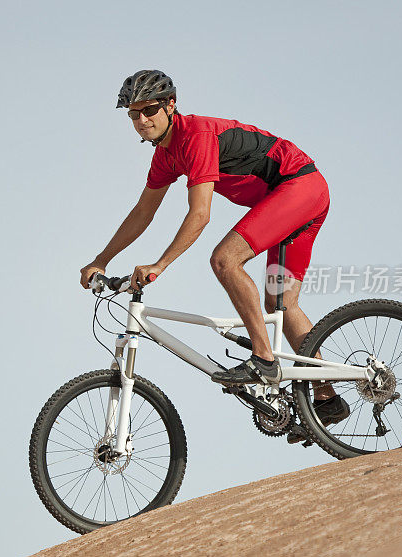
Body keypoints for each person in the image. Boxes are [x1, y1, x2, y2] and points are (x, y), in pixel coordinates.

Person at [79, 70, 349, 442]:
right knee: (279, 301)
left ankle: (264, 360)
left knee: (225, 260)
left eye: (150, 110)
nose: (142, 121)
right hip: (292, 200)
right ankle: (327, 398)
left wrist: (161, 264)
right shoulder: (165, 156)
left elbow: (200, 214)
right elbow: (143, 213)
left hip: (298, 187)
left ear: (171, 105)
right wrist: (102, 259)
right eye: (133, 114)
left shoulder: (196, 137)